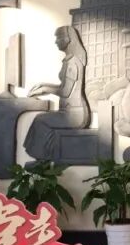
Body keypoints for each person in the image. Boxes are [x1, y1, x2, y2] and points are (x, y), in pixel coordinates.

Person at [24, 26, 91, 165]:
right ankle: (41, 158)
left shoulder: (73, 63)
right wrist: (44, 85)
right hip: (68, 112)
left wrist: (46, 89)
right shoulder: (69, 60)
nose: (56, 41)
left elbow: (66, 92)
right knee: (40, 119)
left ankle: (42, 159)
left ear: (68, 39)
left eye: (58, 38)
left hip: (74, 115)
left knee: (41, 120)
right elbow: (63, 87)